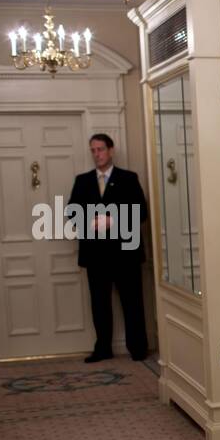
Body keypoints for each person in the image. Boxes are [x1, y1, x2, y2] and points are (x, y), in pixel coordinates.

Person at [68, 133, 150, 363]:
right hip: (96, 255)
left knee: (132, 302)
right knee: (99, 304)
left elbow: (141, 212)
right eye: (93, 150)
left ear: (111, 150)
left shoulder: (128, 178)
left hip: (126, 255)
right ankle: (102, 348)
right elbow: (72, 213)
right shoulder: (82, 181)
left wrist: (113, 221)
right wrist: (92, 222)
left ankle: (138, 348)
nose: (97, 154)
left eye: (100, 149)